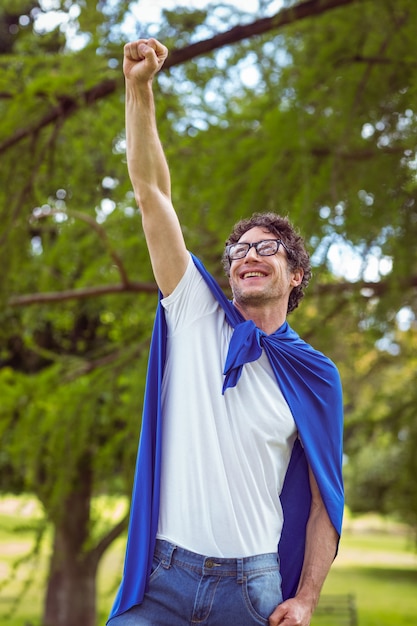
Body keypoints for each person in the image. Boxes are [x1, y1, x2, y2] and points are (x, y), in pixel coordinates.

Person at [108, 38, 344, 626]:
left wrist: (307, 599)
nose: (248, 256)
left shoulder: (315, 374)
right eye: (239, 250)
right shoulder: (193, 312)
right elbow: (150, 192)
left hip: (252, 591)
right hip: (163, 582)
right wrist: (139, 90)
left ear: (296, 274)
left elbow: (325, 505)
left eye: (268, 248)